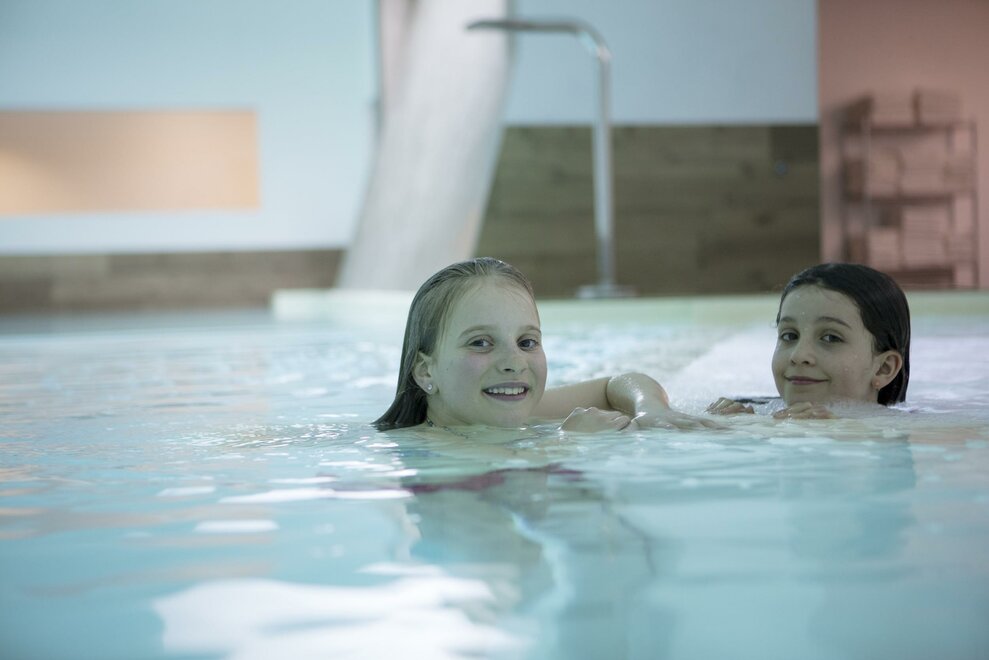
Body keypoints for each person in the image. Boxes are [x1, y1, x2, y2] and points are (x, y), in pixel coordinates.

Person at [374, 257, 709, 433]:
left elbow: (618, 384)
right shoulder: (417, 452)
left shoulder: (518, 410)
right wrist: (567, 443)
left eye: (527, 342)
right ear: (425, 371)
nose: (514, 361)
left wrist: (650, 409)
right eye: (481, 342)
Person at [707, 262, 910, 419]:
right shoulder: (749, 415)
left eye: (830, 338)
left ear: (883, 368)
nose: (798, 355)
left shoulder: (902, 429)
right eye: (790, 335)